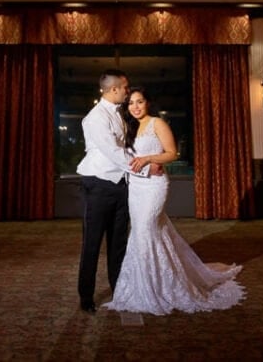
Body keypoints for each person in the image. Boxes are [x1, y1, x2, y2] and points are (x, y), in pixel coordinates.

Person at [103, 87, 246, 315]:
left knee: (147, 229)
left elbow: (172, 153)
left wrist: (149, 158)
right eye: (131, 103)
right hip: (136, 187)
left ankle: (160, 287)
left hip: (155, 186)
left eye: (140, 102)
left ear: (147, 103)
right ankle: (143, 284)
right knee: (144, 232)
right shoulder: (127, 127)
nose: (136, 107)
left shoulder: (157, 123)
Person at [76, 69, 160, 313]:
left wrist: (144, 162)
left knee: (118, 243)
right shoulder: (95, 118)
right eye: (125, 87)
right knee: (92, 244)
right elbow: (113, 152)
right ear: (113, 89)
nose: (127, 90)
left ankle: (118, 290)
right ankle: (86, 297)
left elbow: (127, 149)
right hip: (98, 186)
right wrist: (145, 168)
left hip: (122, 185)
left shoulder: (119, 114)